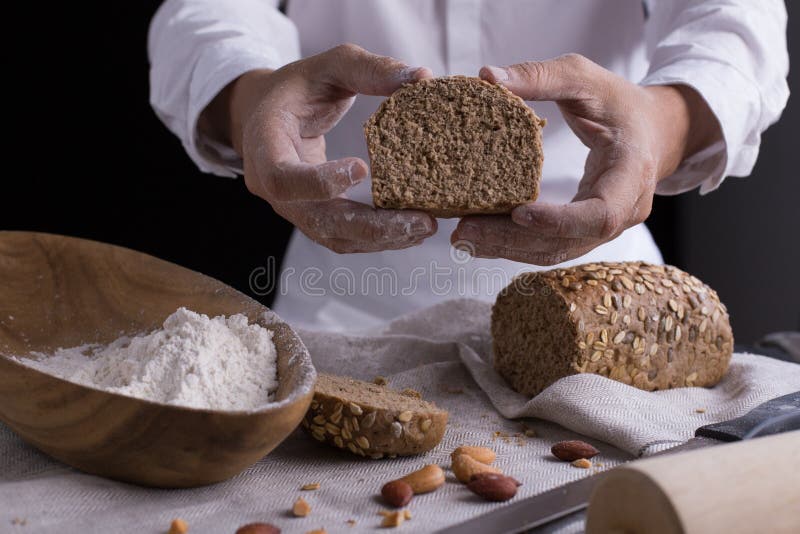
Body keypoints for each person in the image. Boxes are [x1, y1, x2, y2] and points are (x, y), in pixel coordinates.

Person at [148, 0, 788, 331]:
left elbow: (732, 17)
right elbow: (205, 11)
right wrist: (252, 101)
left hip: (596, 290)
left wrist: (661, 125)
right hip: (347, 300)